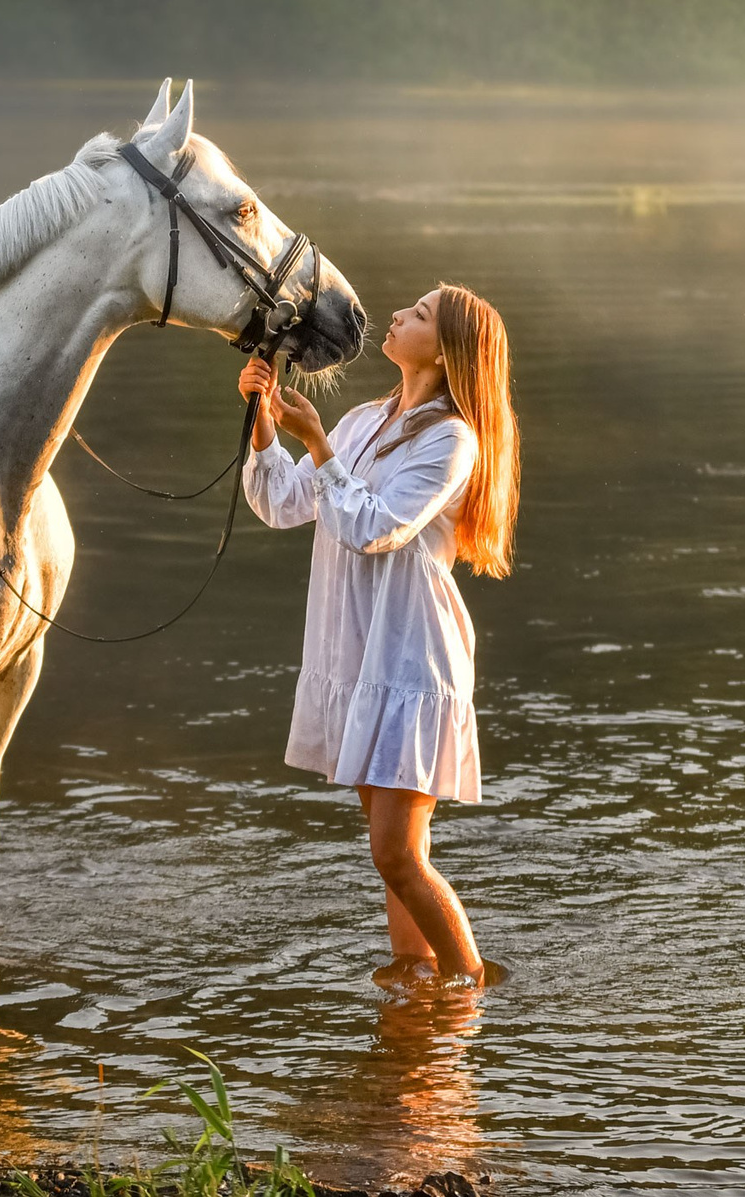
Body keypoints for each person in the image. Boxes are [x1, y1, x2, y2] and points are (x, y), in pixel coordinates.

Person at [238, 284, 520, 985]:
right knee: (395, 849)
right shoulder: (365, 419)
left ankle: (467, 991)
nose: (397, 316)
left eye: (418, 316)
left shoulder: (453, 439)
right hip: (364, 655)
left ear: (449, 352)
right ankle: (411, 981)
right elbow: (282, 501)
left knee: (396, 853)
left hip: (412, 657)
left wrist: (315, 440)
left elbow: (375, 527)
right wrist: (266, 424)